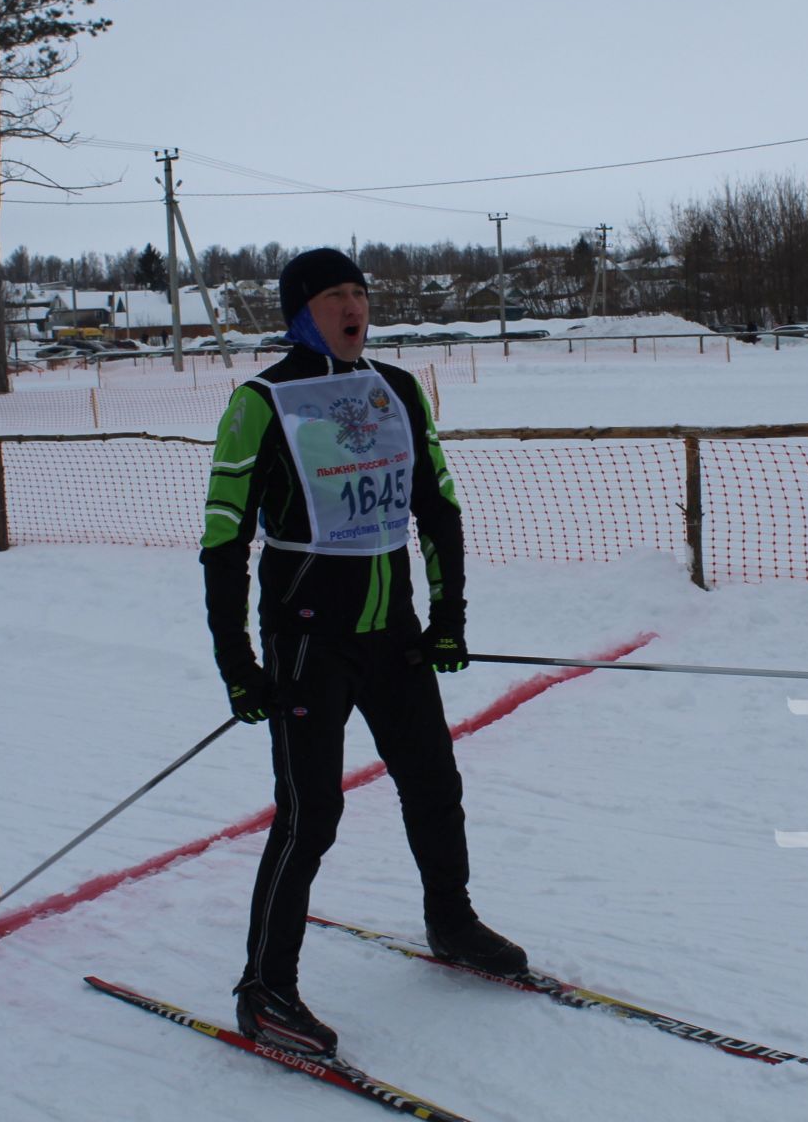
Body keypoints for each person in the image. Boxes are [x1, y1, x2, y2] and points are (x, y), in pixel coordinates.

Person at [199, 248, 526, 1058]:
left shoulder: (398, 389)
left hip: (393, 634)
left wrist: (447, 614)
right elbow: (222, 541)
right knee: (311, 815)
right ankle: (264, 988)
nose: (354, 306)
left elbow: (437, 505)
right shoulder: (261, 401)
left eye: (359, 293)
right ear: (301, 311)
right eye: (334, 295)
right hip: (308, 641)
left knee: (433, 783)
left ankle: (450, 921)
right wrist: (237, 661)